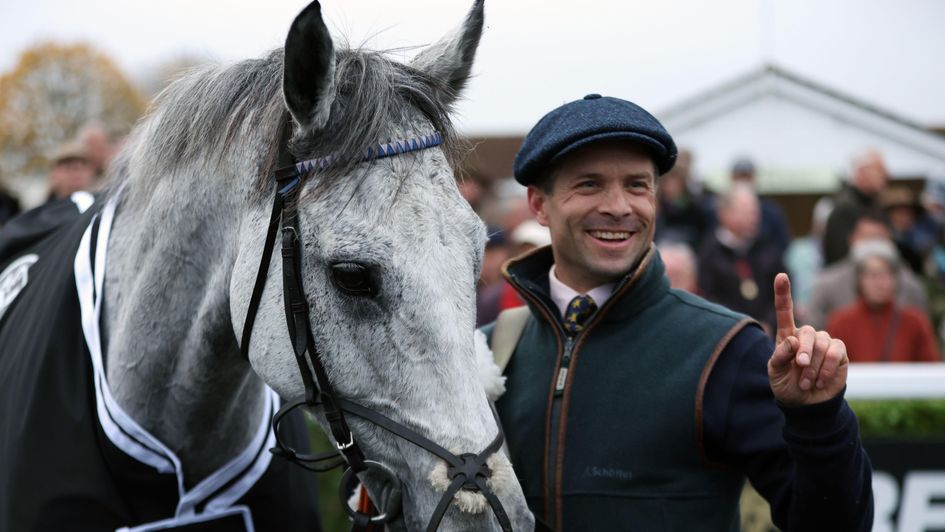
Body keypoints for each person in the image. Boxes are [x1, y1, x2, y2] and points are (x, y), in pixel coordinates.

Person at [485, 94, 872, 531]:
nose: (619, 206)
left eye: (636, 184)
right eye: (589, 184)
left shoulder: (728, 348)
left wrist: (818, 419)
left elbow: (836, 525)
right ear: (539, 205)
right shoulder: (485, 349)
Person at [808, 210, 927, 330]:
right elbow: (813, 326)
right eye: (866, 239)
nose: (872, 247)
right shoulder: (827, 283)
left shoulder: (910, 286)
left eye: (878, 239)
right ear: (851, 239)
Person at [827, 241, 941, 362]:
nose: (879, 283)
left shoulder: (915, 322)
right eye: (872, 275)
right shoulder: (840, 322)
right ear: (859, 280)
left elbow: (930, 367)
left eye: (886, 274)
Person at [697, 182, 786, 333]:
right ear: (723, 213)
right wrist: (742, 327)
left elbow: (782, 288)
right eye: (746, 211)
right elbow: (709, 297)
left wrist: (768, 323)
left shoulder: (767, 246)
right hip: (728, 333)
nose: (754, 217)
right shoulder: (709, 252)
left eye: (755, 211)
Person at [823, 149, 889, 265]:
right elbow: (838, 259)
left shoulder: (874, 204)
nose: (887, 174)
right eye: (880, 169)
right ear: (861, 171)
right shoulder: (845, 208)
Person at [730, 157, 791, 252]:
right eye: (740, 177)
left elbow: (782, 242)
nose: (744, 181)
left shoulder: (770, 211)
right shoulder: (716, 209)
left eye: (747, 177)